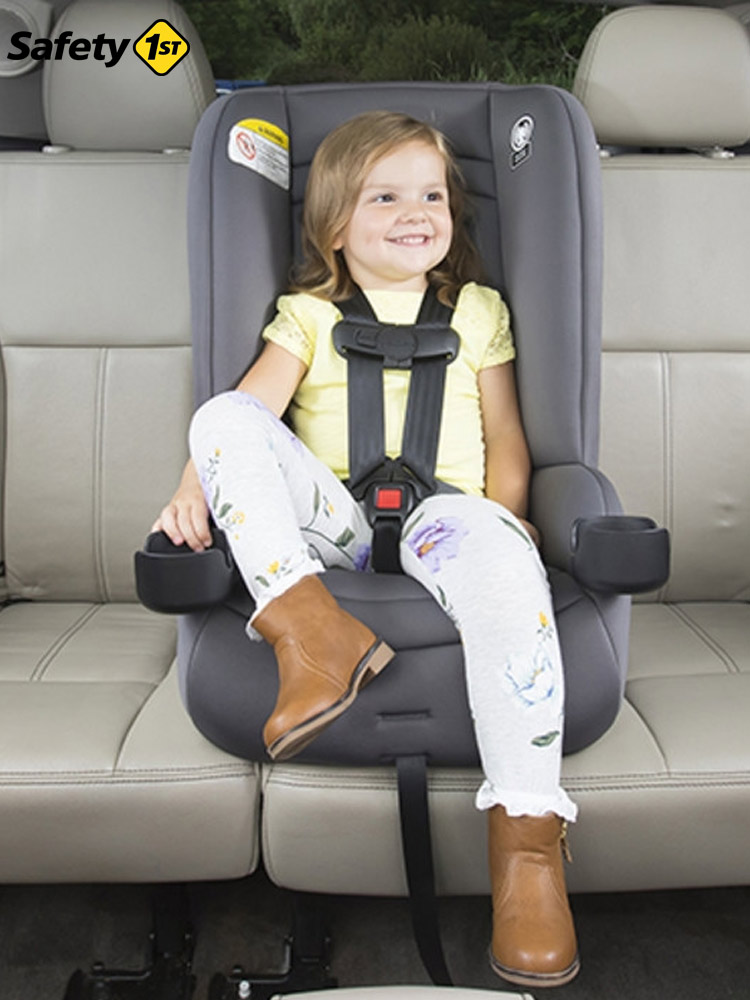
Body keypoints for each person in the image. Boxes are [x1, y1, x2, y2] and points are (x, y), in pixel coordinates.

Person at [154, 110, 579, 988]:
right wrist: (198, 484)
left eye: (432, 195)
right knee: (219, 416)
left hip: (446, 516)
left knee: (501, 559)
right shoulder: (306, 315)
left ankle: (530, 844)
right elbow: (251, 413)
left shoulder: (481, 312)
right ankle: (311, 635)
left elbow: (506, 435)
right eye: (385, 196)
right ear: (336, 225)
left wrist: (508, 517)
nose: (415, 211)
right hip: (332, 524)